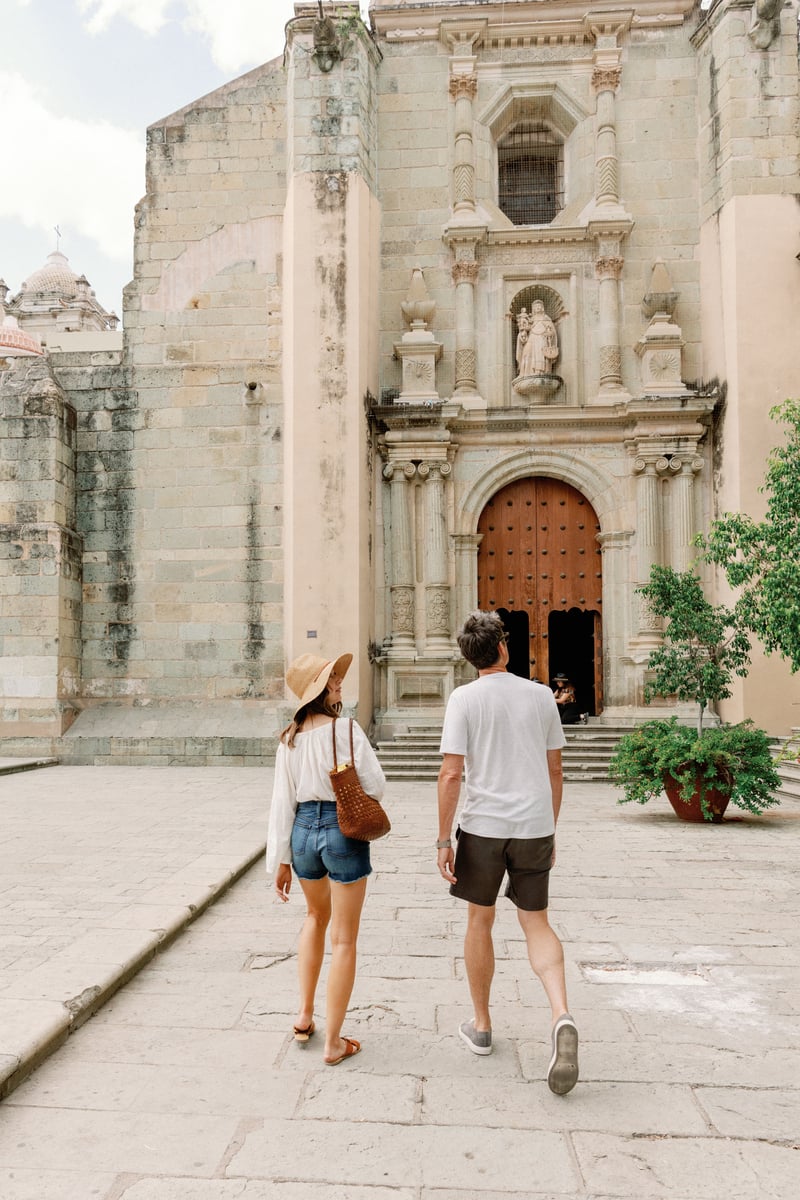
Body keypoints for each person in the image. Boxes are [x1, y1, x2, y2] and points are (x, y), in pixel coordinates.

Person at [436, 611, 579, 1094]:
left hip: (482, 828)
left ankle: (481, 1025)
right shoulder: (541, 696)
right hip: (534, 825)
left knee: (481, 920)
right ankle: (560, 1013)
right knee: (536, 921)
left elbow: (451, 774)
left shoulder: (463, 699)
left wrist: (442, 839)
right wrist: (550, 829)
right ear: (503, 647)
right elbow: (556, 771)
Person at [267, 651, 386, 1065]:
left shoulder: (290, 738)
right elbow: (376, 785)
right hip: (341, 831)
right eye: (333, 679)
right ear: (321, 691)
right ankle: (334, 1041)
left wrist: (280, 860)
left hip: (301, 833)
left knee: (315, 918)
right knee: (345, 938)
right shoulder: (347, 730)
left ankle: (304, 1015)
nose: (339, 683)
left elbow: (282, 802)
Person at [516, 299, 559, 376]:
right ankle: (526, 373)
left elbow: (552, 331)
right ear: (533, 309)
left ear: (542, 308)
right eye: (536, 306)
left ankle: (541, 373)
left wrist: (550, 333)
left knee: (541, 354)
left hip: (542, 338)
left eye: (540, 306)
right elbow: (525, 331)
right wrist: (523, 334)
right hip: (531, 338)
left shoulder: (546, 318)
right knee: (527, 352)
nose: (538, 307)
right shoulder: (530, 319)